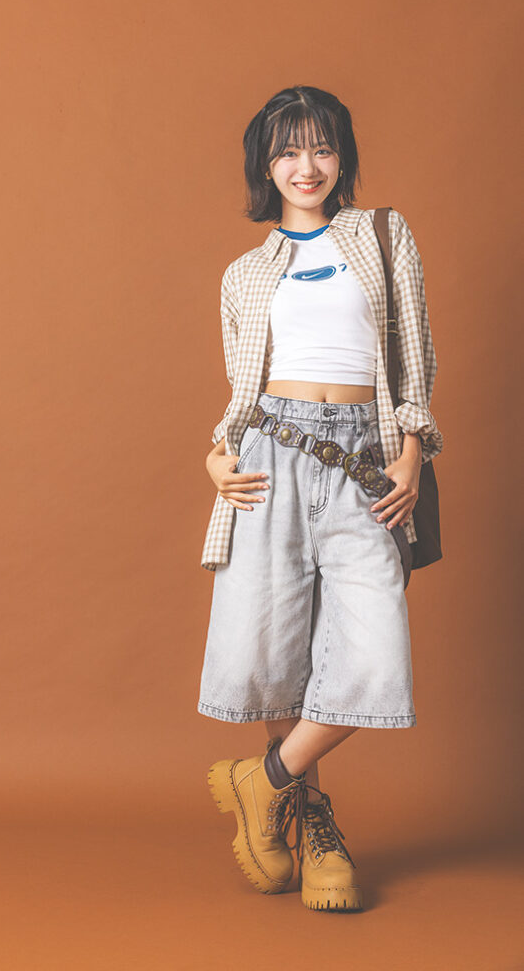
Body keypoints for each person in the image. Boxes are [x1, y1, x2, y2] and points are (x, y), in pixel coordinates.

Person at [197, 85, 443, 912]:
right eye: (287, 151)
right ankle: (308, 827)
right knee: (278, 661)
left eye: (321, 147)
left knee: (373, 657)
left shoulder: (381, 235)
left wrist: (411, 452)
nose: (306, 166)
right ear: (264, 166)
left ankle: (262, 781)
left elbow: (411, 355)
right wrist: (215, 459)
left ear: (342, 157)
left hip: (362, 462)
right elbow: (241, 390)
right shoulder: (244, 274)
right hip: (268, 459)